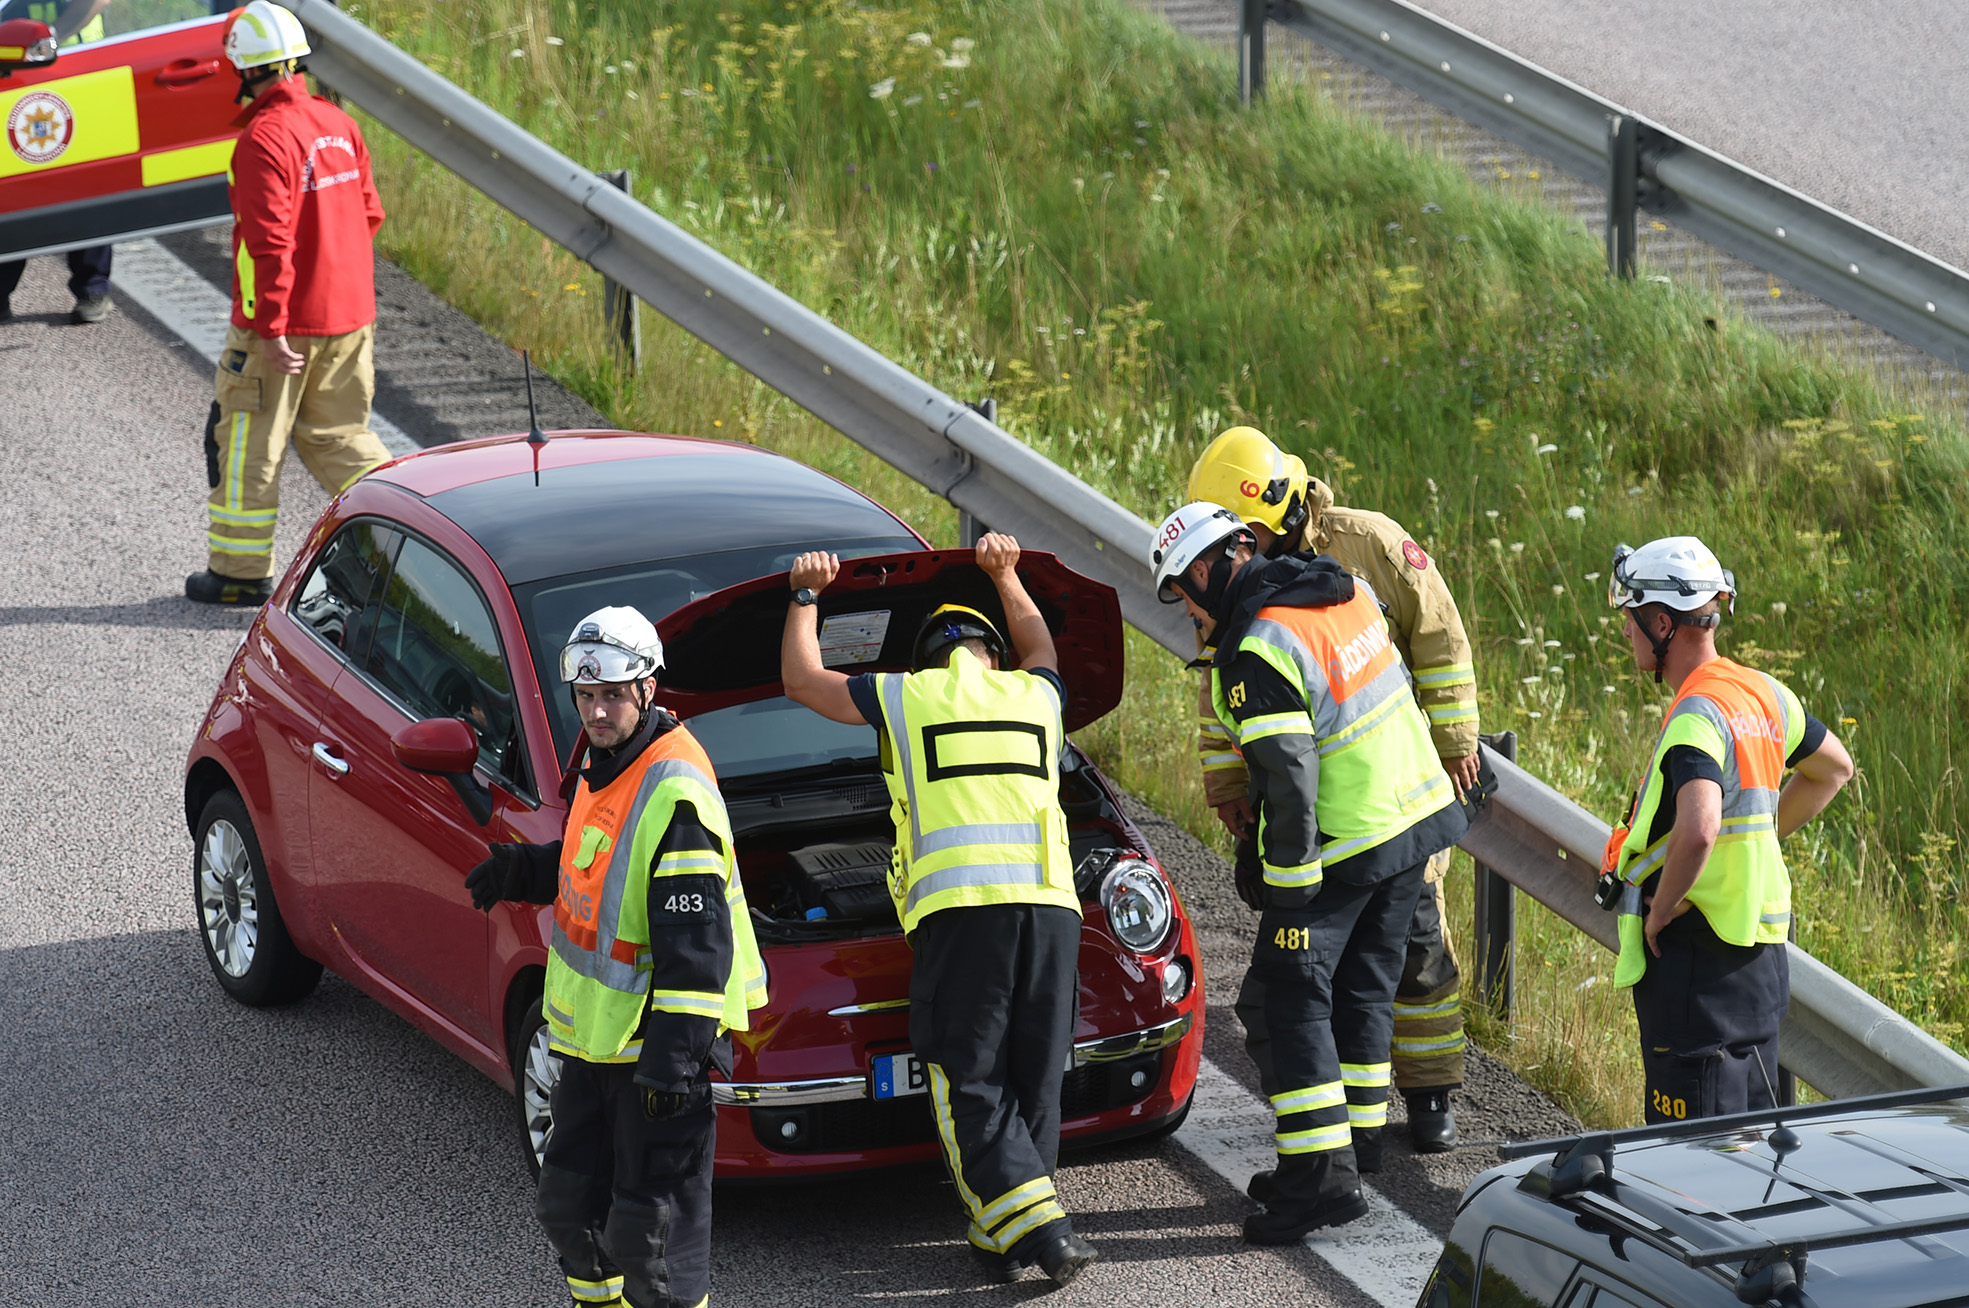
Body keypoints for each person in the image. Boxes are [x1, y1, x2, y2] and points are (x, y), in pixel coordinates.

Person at [780, 534, 1098, 1288]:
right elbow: (1041, 643)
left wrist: (802, 597)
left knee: (967, 1073)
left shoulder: (904, 695)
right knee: (1033, 1075)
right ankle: (1001, 1233)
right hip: (1052, 909)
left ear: (923, 657)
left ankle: (1045, 1230)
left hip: (964, 911)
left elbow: (801, 680)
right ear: (992, 654)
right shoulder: (1036, 696)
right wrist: (1006, 573)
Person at [1150, 501, 1468, 1242]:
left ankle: (1317, 1181)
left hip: (1345, 841)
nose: (1188, 612)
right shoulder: (1339, 588)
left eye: (1180, 594)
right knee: (1361, 987)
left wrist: (1285, 886)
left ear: (1206, 568)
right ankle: (1355, 1148)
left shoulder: (1254, 648)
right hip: (1412, 824)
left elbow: (1288, 775)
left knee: (1281, 1002)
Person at [465, 607, 767, 1308]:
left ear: (648, 691)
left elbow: (698, 950)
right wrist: (525, 870)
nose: (596, 712)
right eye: (585, 697)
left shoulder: (676, 792)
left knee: (649, 1245)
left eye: (612, 697)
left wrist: (674, 1062)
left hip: (657, 1057)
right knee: (567, 1212)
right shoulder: (605, 768)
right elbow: (597, 868)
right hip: (595, 1049)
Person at [1188, 425, 1476, 1152]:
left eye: (1245, 531)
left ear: (1277, 509)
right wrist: (1224, 776)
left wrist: (1452, 745)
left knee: (1414, 946)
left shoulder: (1365, 545)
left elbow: (1439, 640)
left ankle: (1430, 1088)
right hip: (1314, 804)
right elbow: (1221, 681)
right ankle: (1353, 1121)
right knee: (1341, 971)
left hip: (1390, 788)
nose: (1238, 544)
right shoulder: (1232, 579)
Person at [1601, 537, 1851, 1123]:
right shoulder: (1764, 692)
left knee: (1691, 1161)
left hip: (1696, 961)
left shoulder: (1696, 713)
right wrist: (1764, 833)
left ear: (1662, 623)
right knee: (1753, 1150)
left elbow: (1700, 827)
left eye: (1630, 619)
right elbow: (1833, 768)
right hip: (1761, 965)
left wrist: (1661, 907)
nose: (1626, 633)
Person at [186, 0, 389, 606]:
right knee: (338, 437)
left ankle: (239, 575)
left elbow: (269, 244)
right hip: (350, 315)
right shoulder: (335, 123)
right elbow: (369, 212)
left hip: (282, 327)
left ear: (245, 70)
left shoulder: (263, 138)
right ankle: (414, 527)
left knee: (248, 441)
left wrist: (271, 327)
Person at [0, 0, 115, 324]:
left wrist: (51, 37)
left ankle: (92, 288)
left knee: (85, 183)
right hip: (13, 69)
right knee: (11, 185)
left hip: (78, 68)